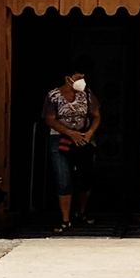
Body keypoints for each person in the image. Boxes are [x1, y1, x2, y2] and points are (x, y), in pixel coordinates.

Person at [42, 70, 100, 231]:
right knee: (63, 177)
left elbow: (96, 115)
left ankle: (81, 212)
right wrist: (70, 133)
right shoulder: (54, 96)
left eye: (83, 77)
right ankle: (65, 218)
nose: (81, 80)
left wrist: (89, 133)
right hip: (60, 139)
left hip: (83, 139)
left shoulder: (87, 94)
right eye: (77, 78)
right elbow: (50, 119)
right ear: (67, 78)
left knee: (85, 176)